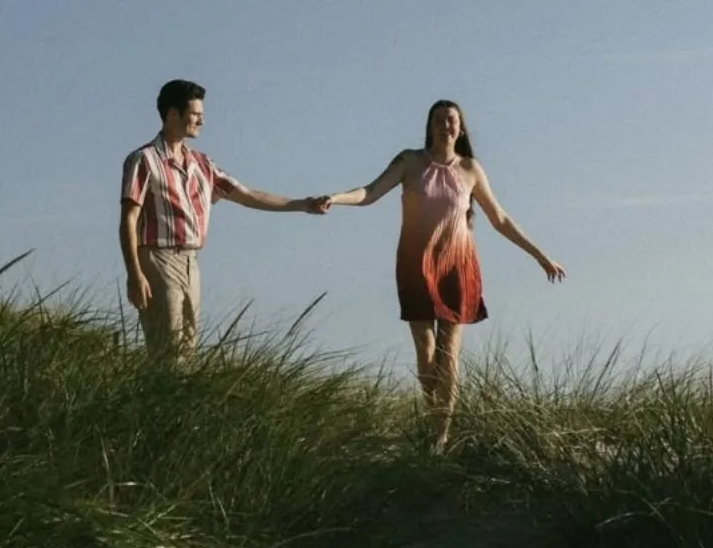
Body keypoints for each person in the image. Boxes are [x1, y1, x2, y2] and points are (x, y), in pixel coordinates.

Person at [320, 99, 564, 447]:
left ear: (460, 128)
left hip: (457, 264)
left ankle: (440, 437)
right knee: (426, 352)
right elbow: (370, 193)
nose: (445, 125)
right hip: (415, 263)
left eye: (451, 120)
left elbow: (500, 219)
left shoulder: (470, 169)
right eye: (439, 120)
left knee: (449, 353)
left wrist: (540, 256)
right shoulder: (410, 162)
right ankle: (433, 414)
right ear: (430, 126)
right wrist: (335, 197)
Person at [120, 79, 328, 359]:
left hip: (191, 261)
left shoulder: (202, 164)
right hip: (158, 258)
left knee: (187, 349)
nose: (201, 121)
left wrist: (303, 204)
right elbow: (129, 219)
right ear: (173, 114)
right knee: (166, 350)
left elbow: (247, 195)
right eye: (195, 114)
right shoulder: (144, 160)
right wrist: (135, 274)